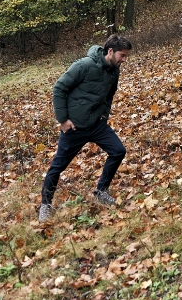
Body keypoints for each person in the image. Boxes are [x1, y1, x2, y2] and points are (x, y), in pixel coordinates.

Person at [39, 35, 132, 222]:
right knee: (58, 167)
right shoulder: (83, 66)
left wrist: (104, 115)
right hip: (74, 127)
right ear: (110, 51)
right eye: (122, 55)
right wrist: (63, 120)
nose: (124, 60)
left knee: (118, 151)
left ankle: (101, 191)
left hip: (97, 125)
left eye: (126, 56)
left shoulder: (114, 70)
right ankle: (45, 204)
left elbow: (109, 95)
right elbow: (59, 89)